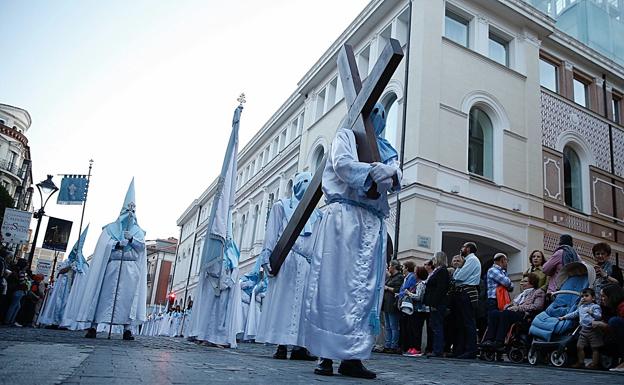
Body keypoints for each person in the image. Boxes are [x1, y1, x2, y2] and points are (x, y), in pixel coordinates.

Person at [303, 102, 402, 379]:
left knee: (365, 291)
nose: (378, 118)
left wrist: (390, 173)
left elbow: (396, 173)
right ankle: (325, 354)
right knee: (334, 287)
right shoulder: (346, 136)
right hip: (344, 219)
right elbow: (344, 166)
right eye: (374, 113)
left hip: (373, 223)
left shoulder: (387, 147)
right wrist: (374, 171)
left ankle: (353, 356)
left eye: (382, 115)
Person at [256, 172, 320, 361]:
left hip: (307, 264)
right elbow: (272, 234)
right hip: (286, 260)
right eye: (304, 182)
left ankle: (300, 346)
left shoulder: (318, 214)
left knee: (303, 306)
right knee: (282, 304)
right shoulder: (281, 207)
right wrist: (267, 255)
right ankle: (281, 344)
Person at [75, 179, 147, 340]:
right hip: (112, 267)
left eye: (132, 211)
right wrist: (115, 243)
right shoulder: (110, 229)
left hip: (130, 270)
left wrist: (131, 241)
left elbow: (141, 247)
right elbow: (103, 245)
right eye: (127, 210)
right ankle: (93, 326)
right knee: (103, 296)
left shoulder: (138, 231)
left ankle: (127, 329)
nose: (129, 214)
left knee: (128, 299)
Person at [39, 226, 90, 328]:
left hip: (72, 288)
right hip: (62, 287)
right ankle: (54, 322)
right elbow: (60, 272)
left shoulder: (82, 264)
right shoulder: (67, 262)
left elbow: (83, 276)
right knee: (58, 304)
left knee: (67, 305)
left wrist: (77, 267)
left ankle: (64, 322)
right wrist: (70, 267)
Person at [483, 273, 545, 348]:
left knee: (506, 314)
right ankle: (489, 340)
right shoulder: (521, 294)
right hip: (513, 313)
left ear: (532, 283)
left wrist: (518, 308)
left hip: (525, 316)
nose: (521, 283)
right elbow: (511, 304)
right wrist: (509, 306)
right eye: (522, 281)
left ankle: (499, 341)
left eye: (525, 281)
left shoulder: (538, 292)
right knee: (494, 313)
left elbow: (537, 306)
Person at [559, 288, 603, 369]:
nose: (584, 298)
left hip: (593, 330)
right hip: (583, 330)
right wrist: (564, 317)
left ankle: (594, 363)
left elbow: (599, 316)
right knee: (579, 346)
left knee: (595, 347)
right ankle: (581, 362)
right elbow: (574, 314)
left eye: (586, 296)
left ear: (593, 298)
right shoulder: (581, 307)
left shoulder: (595, 306)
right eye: (582, 296)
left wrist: (592, 313)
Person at [451, 242, 481, 359]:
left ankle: (471, 350)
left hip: (467, 292)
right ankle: (460, 349)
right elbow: (455, 276)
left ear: (468, 249)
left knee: (469, 322)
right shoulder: (467, 260)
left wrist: (459, 267)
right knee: (461, 323)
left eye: (463, 247)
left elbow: (459, 277)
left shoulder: (472, 260)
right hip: (462, 292)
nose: (461, 249)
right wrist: (460, 267)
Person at [592, 284, 624, 372]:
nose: (601, 298)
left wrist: (604, 325)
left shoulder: (622, 306)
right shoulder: (613, 307)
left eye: (603, 296)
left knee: (614, 322)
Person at [424, 251, 450, 357]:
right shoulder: (438, 271)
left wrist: (434, 303)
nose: (432, 259)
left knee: (437, 325)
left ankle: (438, 349)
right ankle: (436, 348)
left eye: (434, 258)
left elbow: (440, 289)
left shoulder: (442, 271)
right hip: (435, 302)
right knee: (434, 325)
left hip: (438, 303)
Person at [382, 259, 404, 354]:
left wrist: (387, 288)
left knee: (393, 326)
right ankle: (387, 345)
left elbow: (398, 290)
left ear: (394, 266)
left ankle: (393, 346)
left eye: (390, 266)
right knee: (387, 326)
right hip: (386, 304)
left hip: (393, 304)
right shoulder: (391, 277)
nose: (389, 267)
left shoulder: (399, 277)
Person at [485, 253, 514, 319]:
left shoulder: (502, 271)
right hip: (494, 300)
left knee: (501, 320)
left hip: (500, 299)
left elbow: (511, 288)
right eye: (507, 260)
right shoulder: (492, 270)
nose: (507, 263)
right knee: (494, 321)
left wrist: (507, 283)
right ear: (502, 260)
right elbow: (507, 282)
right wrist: (507, 283)